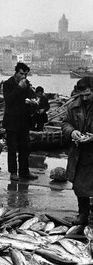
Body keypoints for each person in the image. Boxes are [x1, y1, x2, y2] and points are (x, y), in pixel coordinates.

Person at [62, 76, 93, 225]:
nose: (85, 98)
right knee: (80, 186)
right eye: (82, 95)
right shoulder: (73, 106)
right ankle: (83, 215)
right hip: (80, 153)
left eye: (88, 94)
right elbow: (65, 123)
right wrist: (72, 131)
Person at [2, 62, 38, 181]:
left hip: (24, 120)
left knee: (25, 147)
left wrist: (33, 101)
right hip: (11, 121)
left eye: (26, 75)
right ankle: (13, 172)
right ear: (16, 73)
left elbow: (31, 96)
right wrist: (19, 88)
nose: (23, 77)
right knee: (12, 148)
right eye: (21, 74)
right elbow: (9, 100)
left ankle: (24, 171)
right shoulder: (8, 83)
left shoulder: (27, 84)